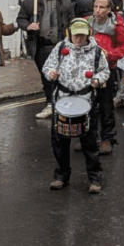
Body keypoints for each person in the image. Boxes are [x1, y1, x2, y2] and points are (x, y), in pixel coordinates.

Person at [42, 18, 109, 194]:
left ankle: (95, 179)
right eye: (76, 35)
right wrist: (51, 73)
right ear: (69, 33)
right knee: (60, 141)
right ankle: (61, 176)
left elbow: (105, 71)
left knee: (90, 143)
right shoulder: (59, 49)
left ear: (88, 34)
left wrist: (97, 79)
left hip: (86, 100)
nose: (79, 38)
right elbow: (47, 67)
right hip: (63, 100)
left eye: (82, 35)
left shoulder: (97, 52)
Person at [18, 0, 74, 120]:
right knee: (47, 77)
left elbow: (71, 21)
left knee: (62, 75)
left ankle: (62, 104)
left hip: (60, 45)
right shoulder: (31, 2)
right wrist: (29, 26)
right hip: (41, 46)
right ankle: (50, 103)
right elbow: (20, 19)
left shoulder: (66, 1)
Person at [88, 0, 124, 154]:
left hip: (107, 70)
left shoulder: (116, 25)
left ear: (109, 10)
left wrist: (111, 55)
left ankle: (107, 138)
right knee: (89, 105)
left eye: (102, 7)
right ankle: (89, 137)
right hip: (88, 71)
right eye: (95, 7)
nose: (98, 10)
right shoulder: (87, 22)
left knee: (105, 106)